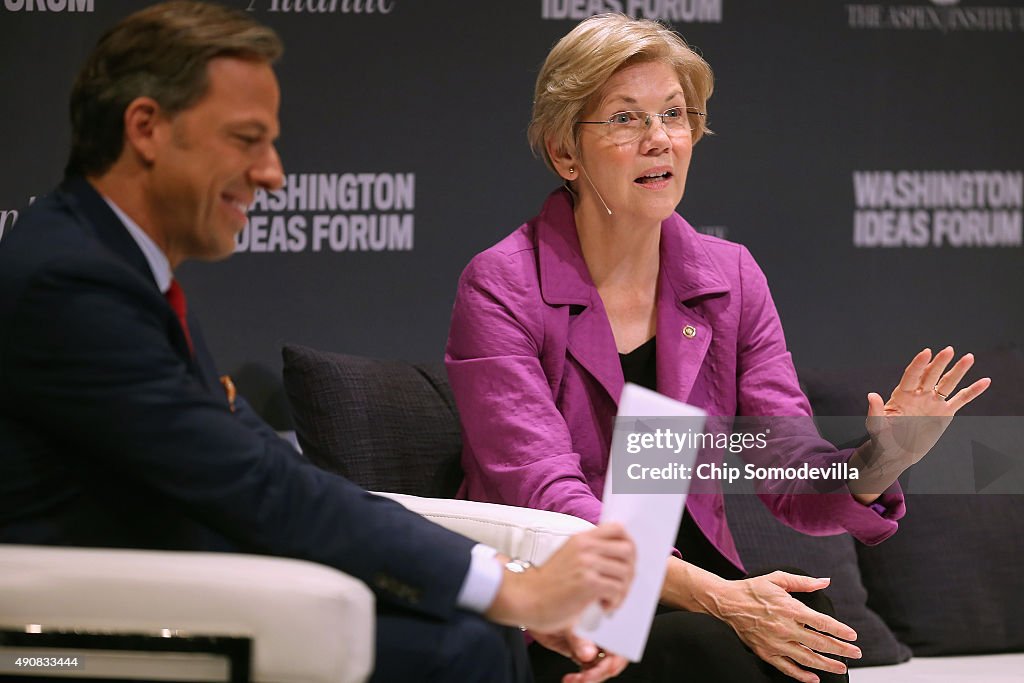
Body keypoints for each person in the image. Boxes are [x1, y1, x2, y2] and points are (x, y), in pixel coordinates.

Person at [0, 3, 637, 682]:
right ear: (147, 127)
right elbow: (252, 485)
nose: (273, 173)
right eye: (248, 139)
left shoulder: (116, 268)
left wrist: (490, 578)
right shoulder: (71, 280)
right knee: (458, 644)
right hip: (65, 641)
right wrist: (500, 586)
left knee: (471, 628)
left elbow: (270, 474)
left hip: (168, 589)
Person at [445, 13, 992, 683]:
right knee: (724, 657)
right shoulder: (503, 284)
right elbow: (551, 497)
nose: (659, 140)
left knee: (809, 664)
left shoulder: (728, 278)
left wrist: (883, 458)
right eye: (624, 119)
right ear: (565, 153)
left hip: (690, 595)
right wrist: (728, 599)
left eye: (673, 114)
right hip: (561, 606)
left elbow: (785, 464)